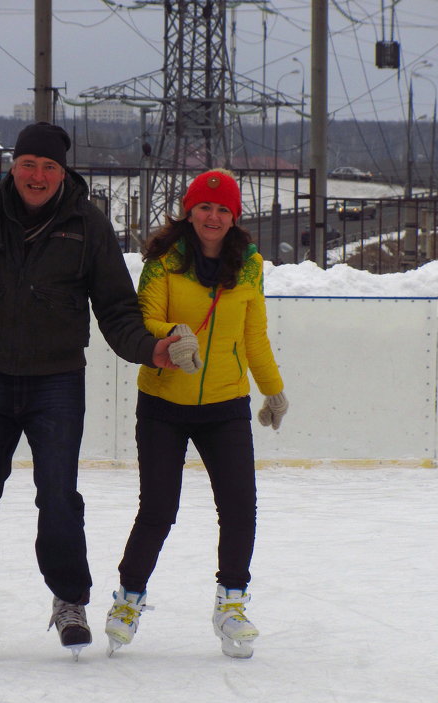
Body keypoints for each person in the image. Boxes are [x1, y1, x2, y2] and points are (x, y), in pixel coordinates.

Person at [0, 122, 181, 661]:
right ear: (15, 165)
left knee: (58, 496)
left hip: (56, 381)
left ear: (64, 172)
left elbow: (116, 308)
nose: (38, 176)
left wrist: (149, 348)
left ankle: (68, 601)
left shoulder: (87, 225)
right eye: (30, 164)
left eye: (50, 167)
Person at [104, 168, 289, 659]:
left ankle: (231, 604)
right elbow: (147, 318)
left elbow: (254, 335)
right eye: (205, 207)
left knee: (239, 506)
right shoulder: (164, 259)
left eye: (223, 209)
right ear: (189, 210)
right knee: (159, 508)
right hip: (164, 402)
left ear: (234, 217)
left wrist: (272, 391)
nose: (213, 216)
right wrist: (176, 334)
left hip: (226, 404)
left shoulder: (249, 265)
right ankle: (129, 598)